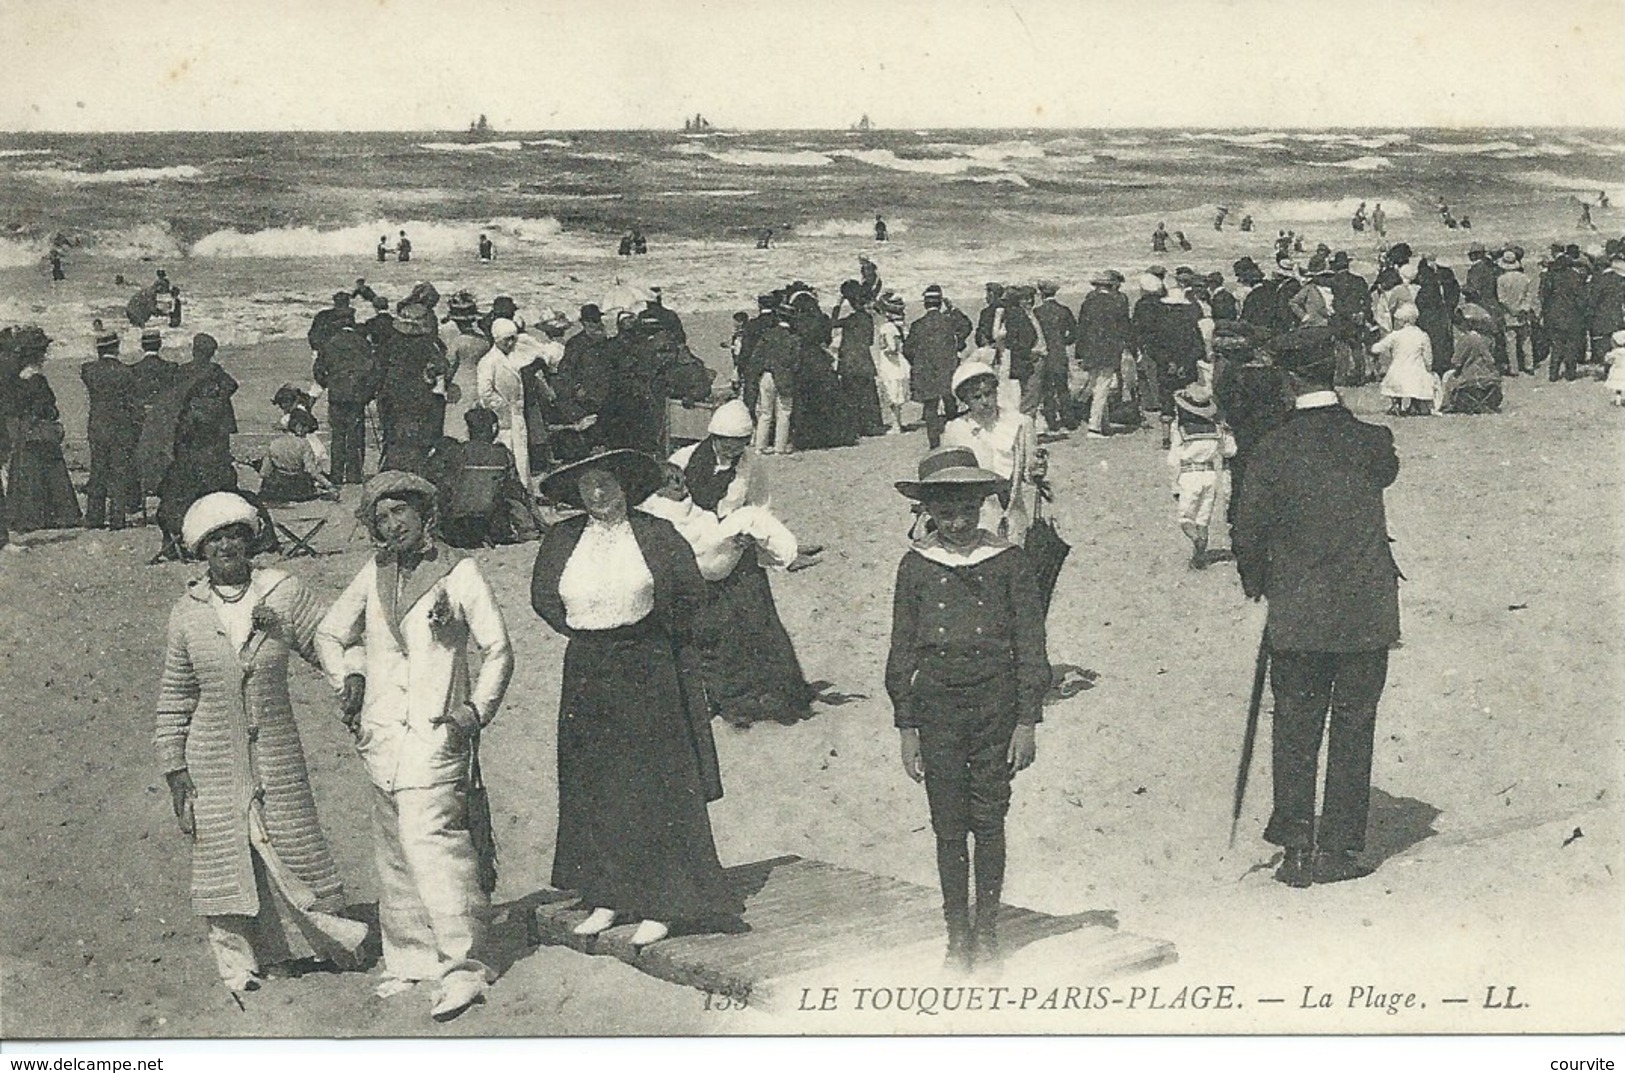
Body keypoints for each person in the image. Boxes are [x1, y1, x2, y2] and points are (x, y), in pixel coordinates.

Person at [316, 471, 513, 1020]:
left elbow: (498, 648)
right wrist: (350, 675)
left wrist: (474, 711)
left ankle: (465, 967)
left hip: (437, 733)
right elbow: (331, 634)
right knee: (394, 852)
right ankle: (410, 958)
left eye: (400, 512)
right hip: (380, 735)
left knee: (436, 849)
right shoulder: (373, 572)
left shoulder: (459, 571)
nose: (391, 524)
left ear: (425, 514)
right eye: (380, 517)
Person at [155, 492, 368, 996]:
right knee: (228, 853)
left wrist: (352, 677)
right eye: (215, 539)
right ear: (200, 551)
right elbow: (175, 695)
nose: (226, 546)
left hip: (275, 744)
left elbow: (330, 640)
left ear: (251, 541)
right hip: (210, 753)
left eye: (235, 535)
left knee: (290, 842)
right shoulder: (187, 612)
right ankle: (246, 957)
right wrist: (174, 766)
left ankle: (305, 948)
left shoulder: (283, 592)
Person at [530, 450, 744, 947]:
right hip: (586, 670)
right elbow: (544, 597)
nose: (598, 494)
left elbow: (692, 597)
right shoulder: (563, 539)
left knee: (656, 784)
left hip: (648, 668)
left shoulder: (655, 535)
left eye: (606, 483)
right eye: (588, 486)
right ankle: (609, 895)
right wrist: (588, 633)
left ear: (625, 485)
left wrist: (651, 640)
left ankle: (665, 902)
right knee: (596, 782)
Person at [1233, 327, 1401, 888]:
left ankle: (1297, 848)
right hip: (1366, 608)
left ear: (1287, 376)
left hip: (1299, 609)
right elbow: (1385, 472)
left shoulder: (1272, 446)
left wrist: (1258, 583)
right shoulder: (1372, 440)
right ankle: (1339, 849)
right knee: (1354, 725)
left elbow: (1247, 528)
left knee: (1296, 725)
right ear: (1332, 370)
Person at [886, 446, 1049, 971]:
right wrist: (907, 726)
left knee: (990, 818)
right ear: (926, 512)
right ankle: (957, 935)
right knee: (948, 824)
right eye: (945, 512)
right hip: (937, 708)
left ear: (983, 506)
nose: (957, 523)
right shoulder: (915, 567)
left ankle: (988, 931)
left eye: (967, 511)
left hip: (995, 707)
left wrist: (1026, 720)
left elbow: (1031, 645)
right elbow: (901, 649)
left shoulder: (1009, 561)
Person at [638, 460, 801, 582]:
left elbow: (704, 520)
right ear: (659, 490)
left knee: (751, 517)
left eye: (684, 484)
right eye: (678, 488)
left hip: (711, 550)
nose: (685, 490)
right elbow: (686, 544)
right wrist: (727, 540)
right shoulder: (660, 511)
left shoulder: (677, 500)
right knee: (750, 520)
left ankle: (789, 551)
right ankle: (789, 557)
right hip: (705, 564)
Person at [941, 362, 1040, 546]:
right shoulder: (955, 430)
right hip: (975, 521)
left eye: (989, 394)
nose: (985, 401)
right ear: (966, 401)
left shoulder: (1020, 424)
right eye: (976, 397)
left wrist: (1037, 471)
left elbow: (1030, 475)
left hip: (1013, 516)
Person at [6, 328, 82, 534]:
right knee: (50, 471)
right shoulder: (36, 378)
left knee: (24, 472)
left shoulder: (15, 377)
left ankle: (23, 517)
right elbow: (47, 405)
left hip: (23, 430)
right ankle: (55, 515)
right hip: (38, 429)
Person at [428, 407, 540, 547]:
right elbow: (516, 495)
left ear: (469, 430)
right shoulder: (503, 455)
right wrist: (529, 530)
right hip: (489, 524)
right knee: (510, 490)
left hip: (452, 526)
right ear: (494, 429)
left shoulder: (454, 452)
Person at [1167, 384, 1236, 569]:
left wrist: (1175, 484)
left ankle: (1196, 540)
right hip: (1210, 475)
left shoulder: (1180, 430)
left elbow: (1174, 459)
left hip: (1189, 474)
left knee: (1186, 519)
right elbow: (1229, 451)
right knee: (1203, 519)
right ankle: (1199, 558)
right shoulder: (1215, 429)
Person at [375, 304, 448, 475]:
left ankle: (390, 470)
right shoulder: (429, 344)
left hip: (392, 396)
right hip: (419, 395)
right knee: (418, 438)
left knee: (392, 436)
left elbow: (378, 368)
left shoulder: (390, 343)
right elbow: (442, 366)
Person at [81, 324, 141, 530]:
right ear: (117, 347)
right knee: (119, 473)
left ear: (99, 350)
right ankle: (117, 518)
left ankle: (94, 518)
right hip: (122, 427)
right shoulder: (127, 372)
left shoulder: (88, 370)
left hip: (97, 426)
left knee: (97, 471)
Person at [312, 317, 379, 486]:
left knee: (338, 436)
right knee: (355, 436)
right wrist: (368, 393)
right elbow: (373, 370)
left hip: (337, 396)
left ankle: (336, 474)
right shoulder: (362, 343)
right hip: (357, 396)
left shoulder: (329, 343)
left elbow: (319, 370)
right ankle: (354, 475)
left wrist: (329, 383)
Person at [476, 318, 538, 493]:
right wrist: (504, 409)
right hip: (503, 420)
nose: (511, 343)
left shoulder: (512, 357)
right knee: (509, 459)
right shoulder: (489, 362)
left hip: (516, 418)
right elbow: (485, 393)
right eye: (507, 340)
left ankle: (525, 497)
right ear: (497, 339)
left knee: (521, 460)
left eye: (513, 339)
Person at [905, 285, 968, 449]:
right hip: (947, 367)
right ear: (941, 303)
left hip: (926, 369)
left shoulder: (917, 325)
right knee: (950, 403)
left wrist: (917, 363)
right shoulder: (948, 321)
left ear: (925, 304)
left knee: (930, 407)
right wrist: (953, 308)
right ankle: (956, 438)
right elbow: (966, 325)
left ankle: (934, 444)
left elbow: (907, 349)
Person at [1075, 270, 1132, 438]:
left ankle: (1100, 422)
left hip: (1091, 349)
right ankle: (1094, 426)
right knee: (1103, 386)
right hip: (1109, 349)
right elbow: (1124, 328)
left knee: (1095, 383)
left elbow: (1082, 328)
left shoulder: (1089, 302)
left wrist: (1079, 352)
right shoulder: (1117, 302)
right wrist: (1128, 347)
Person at [832, 280, 885, 436]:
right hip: (863, 359)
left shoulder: (851, 319)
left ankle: (856, 427)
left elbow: (832, 323)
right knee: (868, 394)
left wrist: (837, 305)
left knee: (851, 395)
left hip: (849, 360)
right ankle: (871, 426)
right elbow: (869, 341)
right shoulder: (867, 319)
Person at [256, 409, 338, 502]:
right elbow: (312, 470)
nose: (305, 435)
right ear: (299, 428)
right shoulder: (303, 444)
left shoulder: (274, 443)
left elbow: (264, 472)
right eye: (305, 432)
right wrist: (329, 485)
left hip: (278, 487)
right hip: (297, 486)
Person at [751, 300, 798, 455]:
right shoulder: (793, 339)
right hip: (785, 376)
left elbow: (757, 357)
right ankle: (779, 448)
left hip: (767, 375)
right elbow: (796, 363)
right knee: (784, 413)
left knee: (765, 413)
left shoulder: (768, 335)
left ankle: (760, 447)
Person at [1372, 304, 1436, 416]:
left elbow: (1376, 349)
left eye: (1398, 320)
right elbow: (1428, 357)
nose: (1396, 322)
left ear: (1405, 321)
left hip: (1397, 373)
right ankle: (1415, 404)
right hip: (1416, 374)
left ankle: (1397, 403)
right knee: (1420, 378)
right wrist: (1428, 368)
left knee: (1395, 381)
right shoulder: (1422, 335)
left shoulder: (1396, 335)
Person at [1439, 307, 1503, 414]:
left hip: (1471, 378)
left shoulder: (1467, 339)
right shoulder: (1489, 339)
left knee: (1447, 377)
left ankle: (1447, 404)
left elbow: (1456, 361)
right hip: (1490, 377)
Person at [1033, 280, 1077, 434]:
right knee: (1062, 387)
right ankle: (1068, 419)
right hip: (1059, 352)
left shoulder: (1037, 312)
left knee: (1047, 389)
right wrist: (1063, 341)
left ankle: (1051, 420)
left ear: (1041, 293)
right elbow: (1073, 333)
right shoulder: (1063, 310)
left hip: (1045, 352)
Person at [873, 291, 911, 434]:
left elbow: (893, 348)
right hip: (900, 364)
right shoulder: (900, 325)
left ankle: (896, 425)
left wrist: (885, 349)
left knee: (891, 396)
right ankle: (899, 423)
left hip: (891, 364)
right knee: (896, 396)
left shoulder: (886, 327)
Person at [1495, 250, 1536, 375]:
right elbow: (1529, 296)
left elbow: (1502, 299)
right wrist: (1524, 308)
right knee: (1526, 341)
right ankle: (1529, 365)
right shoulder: (1524, 278)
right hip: (1523, 313)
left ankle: (1514, 368)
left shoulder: (1501, 280)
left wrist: (1512, 310)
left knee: (1511, 343)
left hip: (1509, 314)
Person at [308, 292, 355, 357]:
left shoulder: (350, 315)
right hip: (329, 349)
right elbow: (313, 334)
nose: (342, 305)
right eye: (340, 303)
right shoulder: (324, 316)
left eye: (344, 302)